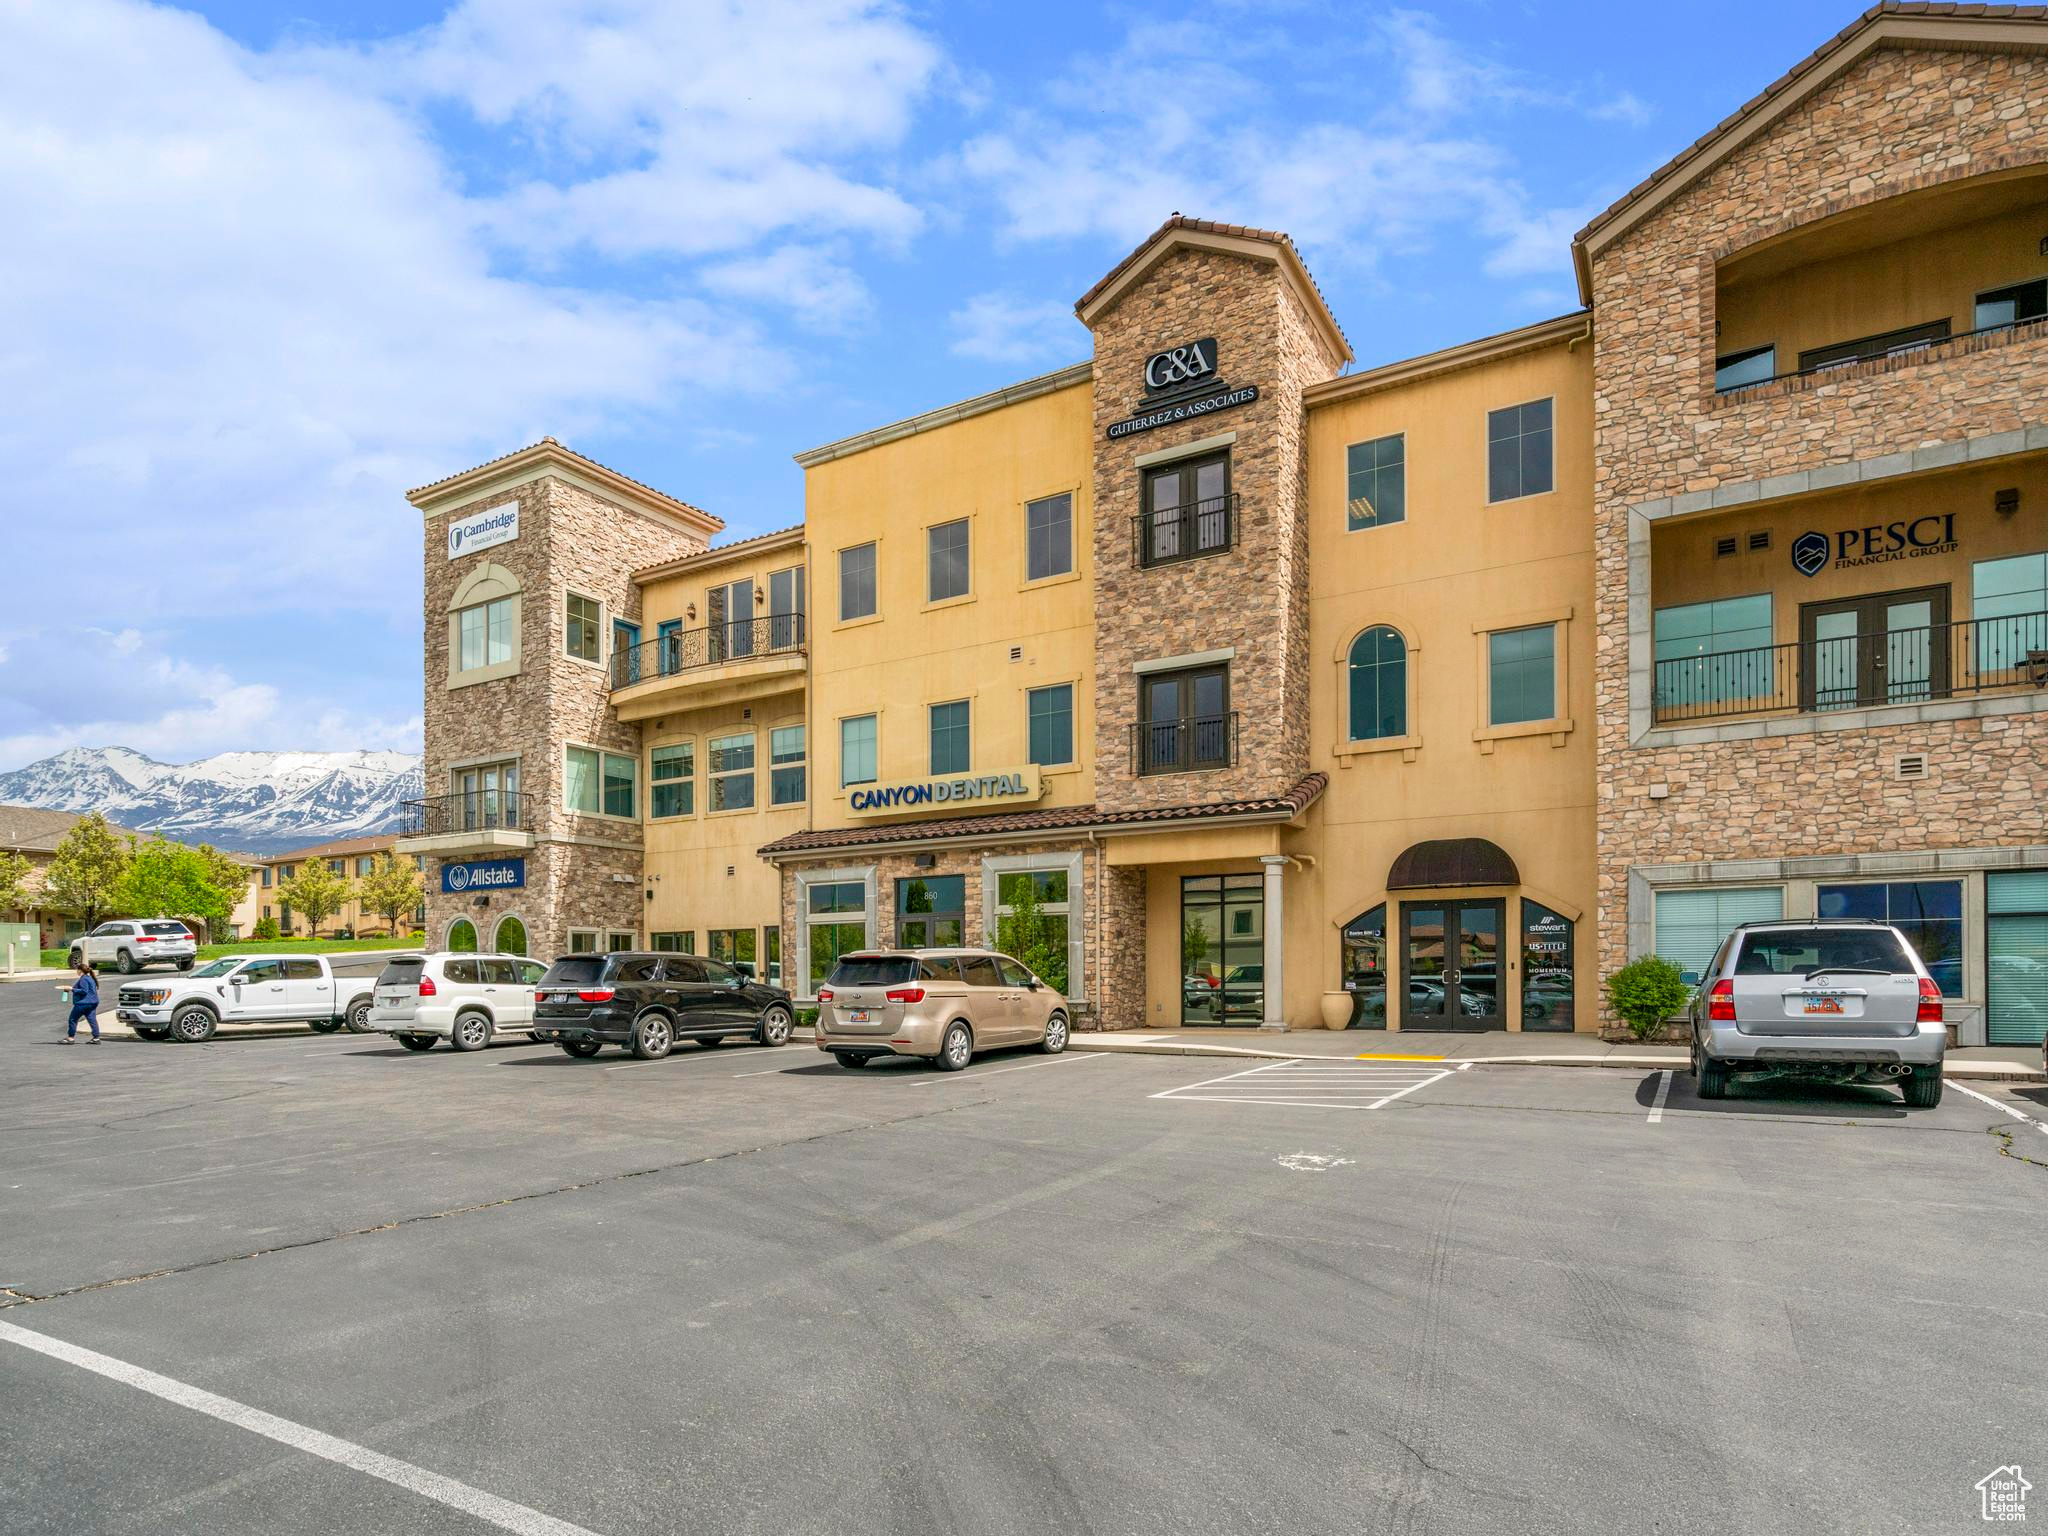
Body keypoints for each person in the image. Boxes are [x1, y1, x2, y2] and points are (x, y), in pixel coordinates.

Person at [65, 958, 101, 1043]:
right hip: (93, 1002)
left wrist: (72, 989)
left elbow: (84, 991)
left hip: (83, 1003)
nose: (76, 972)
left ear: (80, 971)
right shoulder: (90, 978)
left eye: (77, 970)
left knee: (73, 1019)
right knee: (92, 1019)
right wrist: (71, 989)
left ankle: (70, 1038)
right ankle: (96, 1038)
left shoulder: (83, 979)